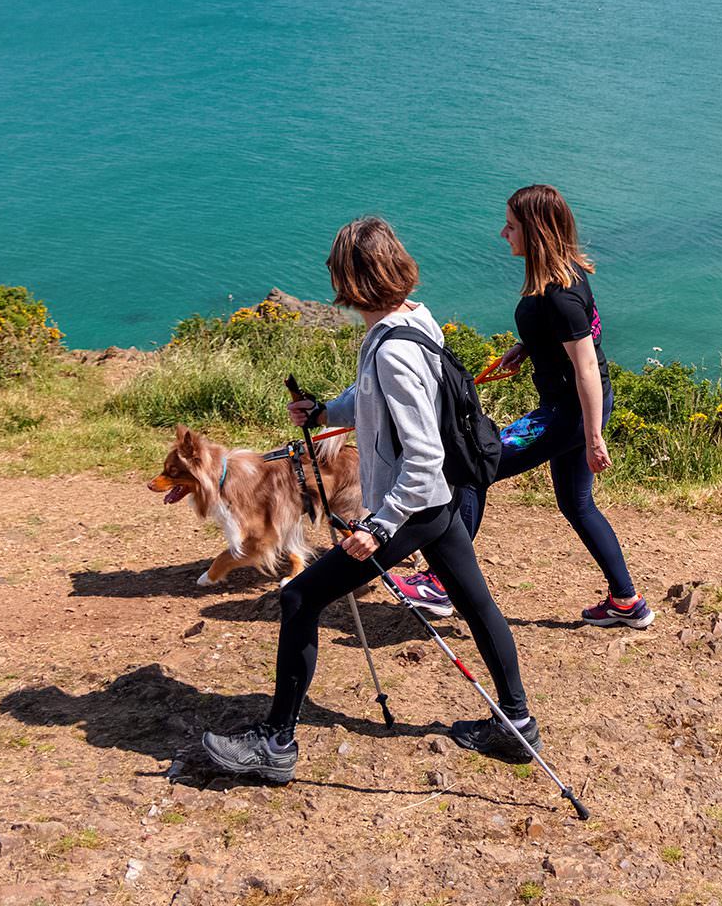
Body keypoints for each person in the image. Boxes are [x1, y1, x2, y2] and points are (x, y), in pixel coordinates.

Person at [200, 216, 539, 783]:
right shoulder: (410, 319)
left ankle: (276, 743)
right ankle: (518, 723)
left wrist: (380, 527)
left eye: (337, 269)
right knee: (475, 602)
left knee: (301, 599)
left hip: (415, 504)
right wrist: (327, 413)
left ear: (351, 277)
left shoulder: (391, 351)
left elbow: (424, 453)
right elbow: (375, 398)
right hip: (441, 501)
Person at [458, 183, 652, 629]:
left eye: (510, 226)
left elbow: (584, 366)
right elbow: (571, 341)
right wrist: (528, 347)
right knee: (578, 505)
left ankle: (441, 583)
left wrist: (592, 437)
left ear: (536, 231)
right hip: (580, 408)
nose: (503, 233)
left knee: (473, 467)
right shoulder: (563, 277)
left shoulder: (558, 294)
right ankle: (628, 602)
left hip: (568, 415)